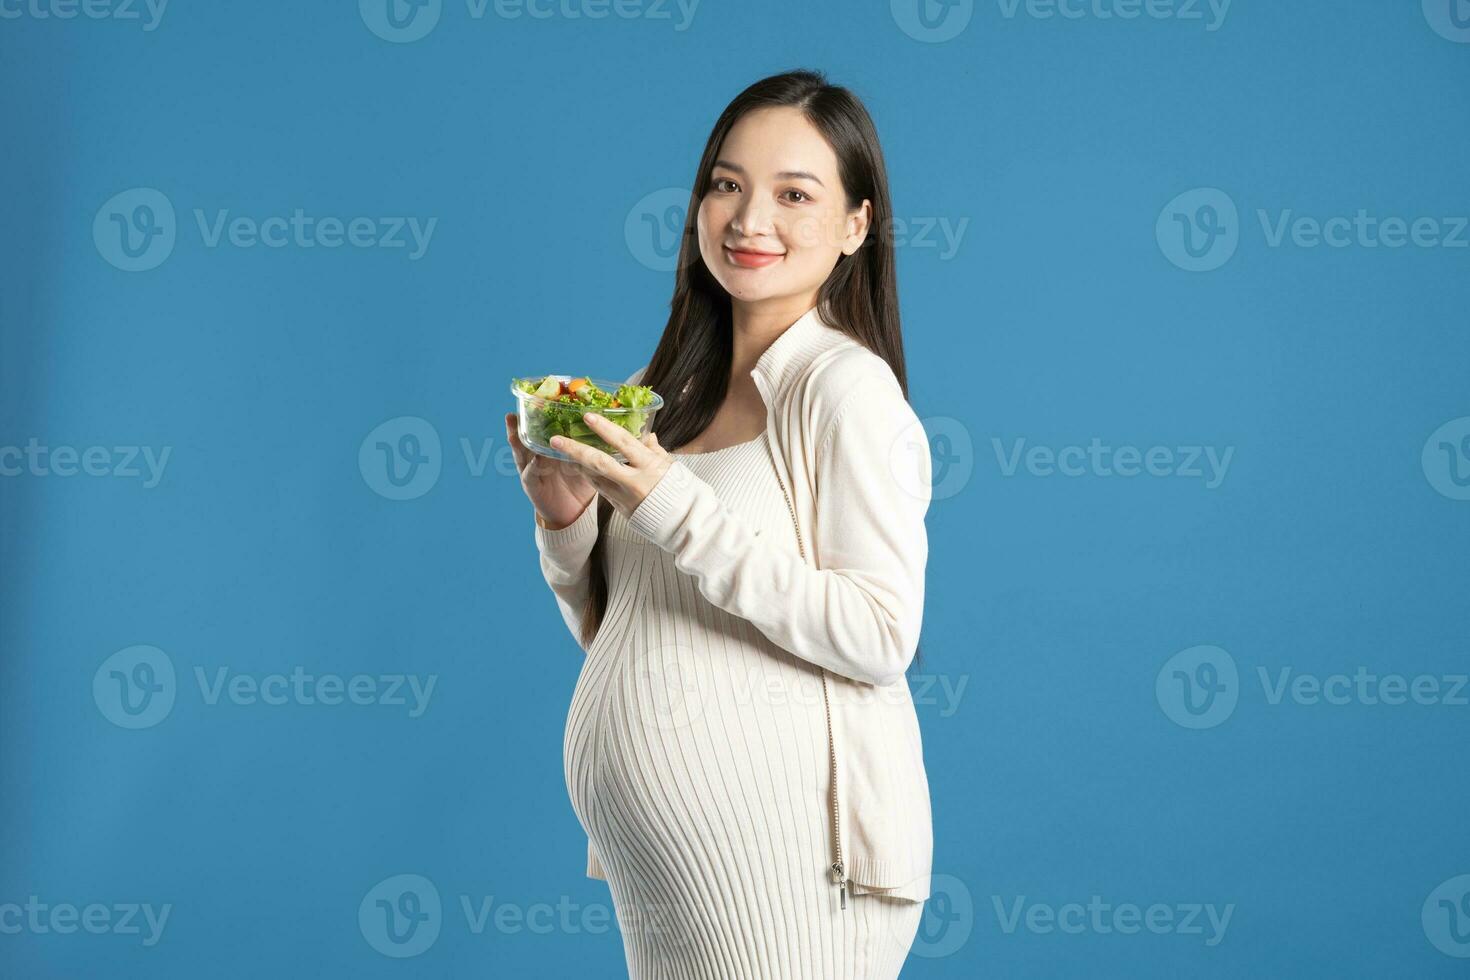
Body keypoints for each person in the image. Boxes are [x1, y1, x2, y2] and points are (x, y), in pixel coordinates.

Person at [505, 68, 935, 979]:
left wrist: (667, 502)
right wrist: (567, 524)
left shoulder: (844, 390)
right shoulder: (680, 393)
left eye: (794, 194)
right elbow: (631, 629)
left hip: (792, 869)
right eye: (727, 184)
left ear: (857, 224)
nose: (748, 221)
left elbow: (879, 632)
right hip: (674, 876)